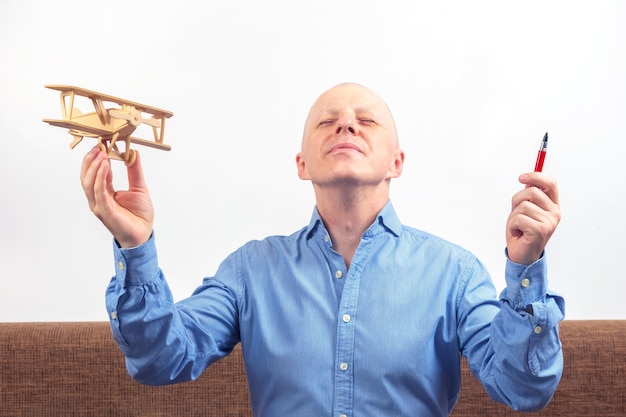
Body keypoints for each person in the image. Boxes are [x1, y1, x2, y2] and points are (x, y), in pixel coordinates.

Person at [80, 82, 565, 417]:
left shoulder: (453, 272)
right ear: (301, 164)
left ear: (397, 162)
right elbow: (160, 360)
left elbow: (523, 388)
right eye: (328, 122)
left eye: (366, 121)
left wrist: (525, 267)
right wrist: (135, 243)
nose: (346, 127)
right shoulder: (250, 270)